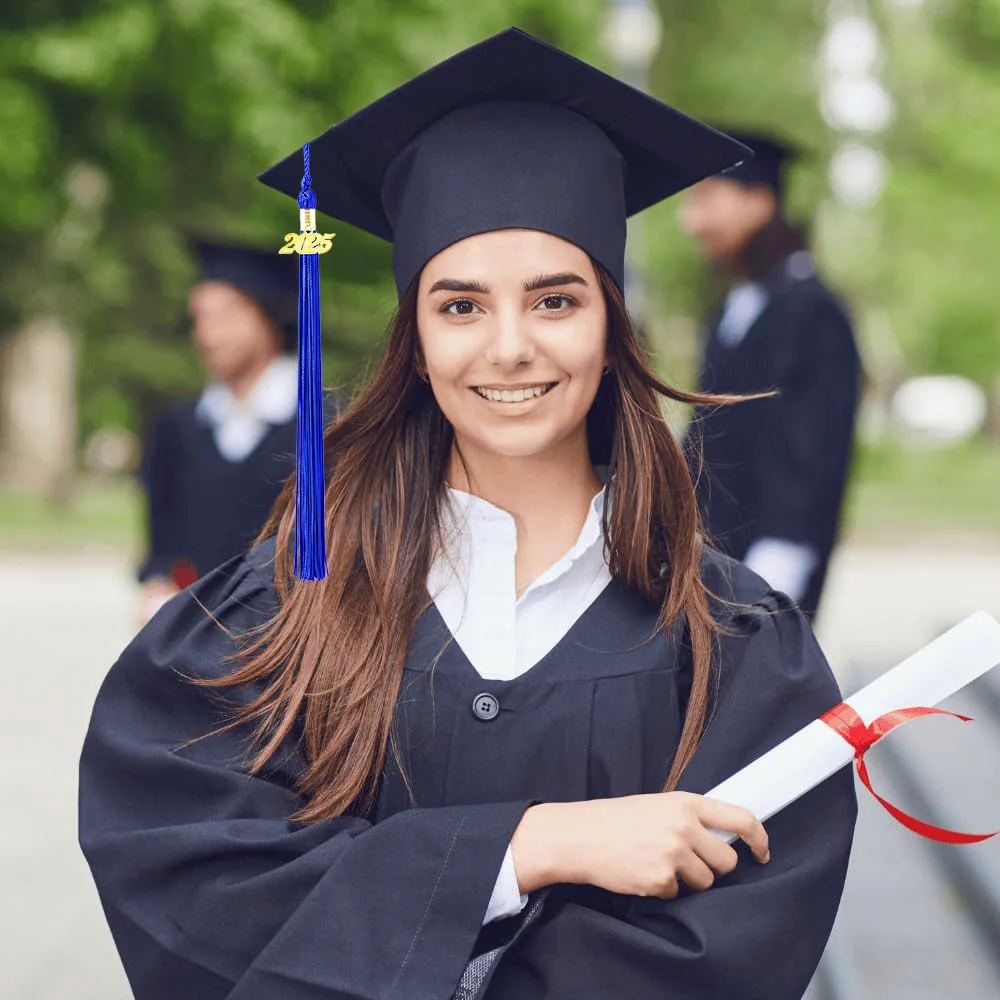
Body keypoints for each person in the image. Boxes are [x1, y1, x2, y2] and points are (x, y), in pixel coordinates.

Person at [79, 29, 856, 1000]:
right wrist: (526, 846)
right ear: (414, 333)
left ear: (611, 320)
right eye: (459, 306)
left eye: (555, 299)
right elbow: (192, 885)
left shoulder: (735, 645)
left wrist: (405, 908)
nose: (509, 347)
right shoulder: (278, 607)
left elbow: (730, 953)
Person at [680, 131, 861, 621]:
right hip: (712, 557)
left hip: (766, 566)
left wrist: (783, 555)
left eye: (705, 199)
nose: (690, 220)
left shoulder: (812, 311)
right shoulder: (733, 306)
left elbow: (815, 446)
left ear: (758, 202)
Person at [137, 241, 310, 624]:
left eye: (227, 314)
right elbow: (162, 544)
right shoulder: (179, 428)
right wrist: (158, 582)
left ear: (270, 315)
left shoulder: (327, 427)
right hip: (192, 641)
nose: (207, 334)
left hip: (293, 643)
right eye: (199, 317)